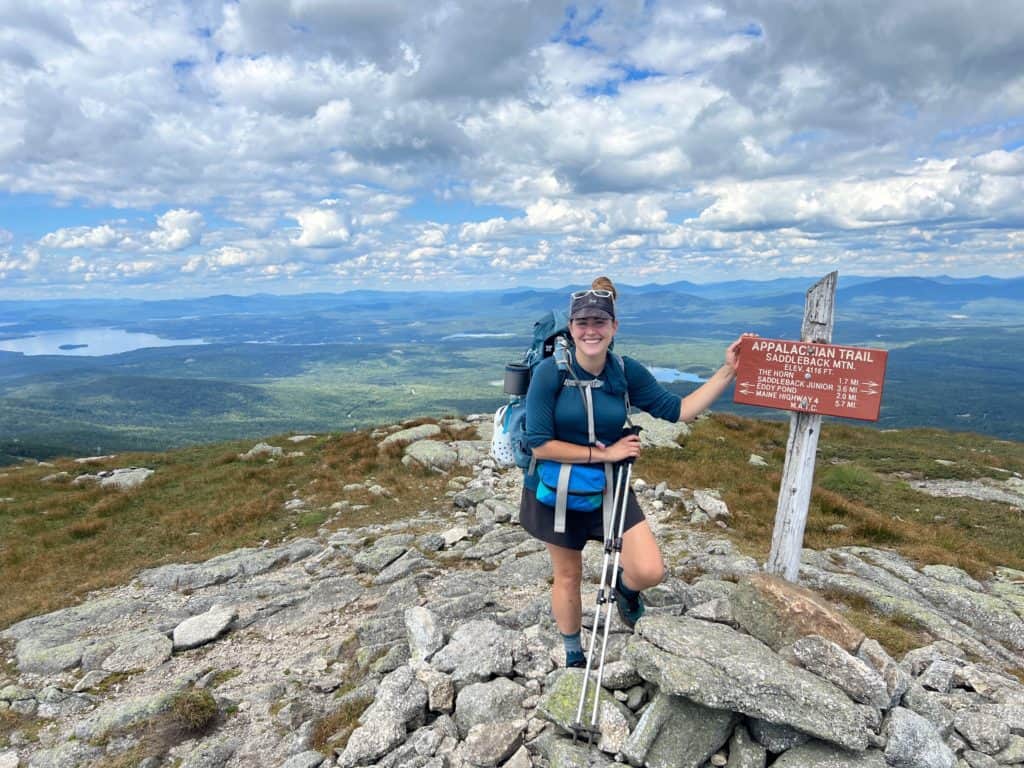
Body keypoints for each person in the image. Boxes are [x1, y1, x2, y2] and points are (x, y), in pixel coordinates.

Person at [518, 275, 753, 668]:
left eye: (600, 323)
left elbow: (678, 411)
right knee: (568, 576)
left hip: (611, 488)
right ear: (571, 328)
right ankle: (575, 655)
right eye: (583, 324)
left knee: (648, 569)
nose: (591, 331)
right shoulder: (549, 373)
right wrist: (605, 454)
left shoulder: (624, 371)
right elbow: (539, 443)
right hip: (553, 487)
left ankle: (624, 590)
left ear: (614, 327)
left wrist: (727, 371)